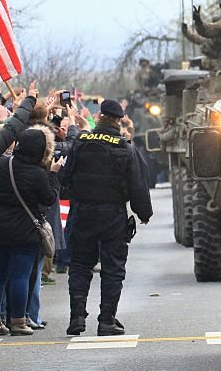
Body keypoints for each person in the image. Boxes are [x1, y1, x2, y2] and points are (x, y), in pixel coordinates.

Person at [60, 98, 152, 336]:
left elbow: (65, 178)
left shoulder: (81, 142)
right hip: (112, 214)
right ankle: (106, 320)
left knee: (80, 264)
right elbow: (138, 184)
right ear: (119, 120)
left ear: (99, 116)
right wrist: (143, 213)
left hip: (82, 212)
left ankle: (77, 318)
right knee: (113, 268)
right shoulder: (125, 148)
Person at [0, 126, 61, 336]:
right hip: (24, 230)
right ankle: (18, 320)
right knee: (20, 276)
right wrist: (53, 176)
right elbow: (48, 199)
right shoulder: (36, 173)